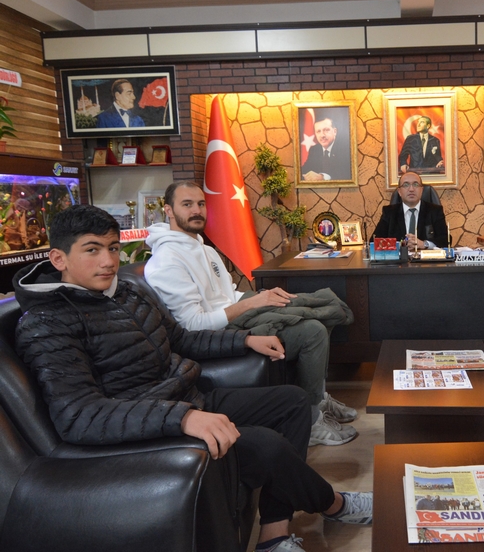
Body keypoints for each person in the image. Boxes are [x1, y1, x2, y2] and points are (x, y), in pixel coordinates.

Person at [13, 205, 373, 552]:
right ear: (59, 258)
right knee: (267, 444)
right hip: (151, 426)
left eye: (112, 248)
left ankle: (274, 531)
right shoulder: (47, 323)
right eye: (92, 250)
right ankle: (333, 504)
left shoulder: (127, 291)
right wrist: (181, 418)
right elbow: (79, 416)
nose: (108, 261)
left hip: (187, 397)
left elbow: (181, 339)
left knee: (292, 401)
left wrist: (245, 339)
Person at [145, 181, 359, 447]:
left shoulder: (204, 249)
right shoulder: (166, 260)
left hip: (234, 316)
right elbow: (193, 325)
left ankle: (319, 397)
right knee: (312, 331)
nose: (197, 210)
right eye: (187, 205)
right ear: (168, 210)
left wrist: (263, 298)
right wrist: (252, 303)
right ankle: (313, 421)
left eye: (200, 204)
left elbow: (230, 295)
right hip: (216, 335)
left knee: (315, 309)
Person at [371, 171, 449, 254]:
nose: (411, 189)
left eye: (415, 184)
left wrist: (424, 244)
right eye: (406, 185)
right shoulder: (389, 212)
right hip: (398, 261)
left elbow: (446, 239)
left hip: (426, 260)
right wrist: (400, 245)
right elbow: (374, 241)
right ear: (399, 191)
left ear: (421, 190)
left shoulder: (435, 211)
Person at [301, 116, 352, 181]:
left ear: (335, 132)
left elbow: (347, 174)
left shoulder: (346, 148)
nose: (322, 135)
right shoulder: (314, 150)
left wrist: (323, 177)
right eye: (318, 131)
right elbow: (304, 170)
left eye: (326, 130)